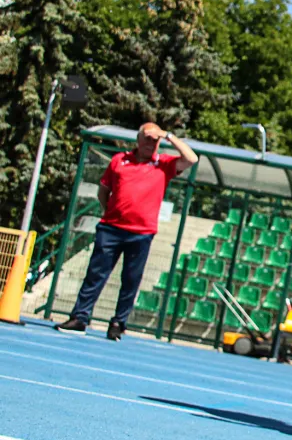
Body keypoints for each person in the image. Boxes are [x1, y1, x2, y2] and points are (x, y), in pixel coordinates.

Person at [56, 124, 198, 341]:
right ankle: (80, 317)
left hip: (141, 233)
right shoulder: (119, 160)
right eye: (148, 139)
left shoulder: (164, 164)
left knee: (131, 279)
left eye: (155, 140)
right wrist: (110, 212)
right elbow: (104, 189)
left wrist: (168, 136)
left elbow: (191, 158)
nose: (151, 144)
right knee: (95, 274)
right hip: (111, 228)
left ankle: (118, 323)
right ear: (139, 140)